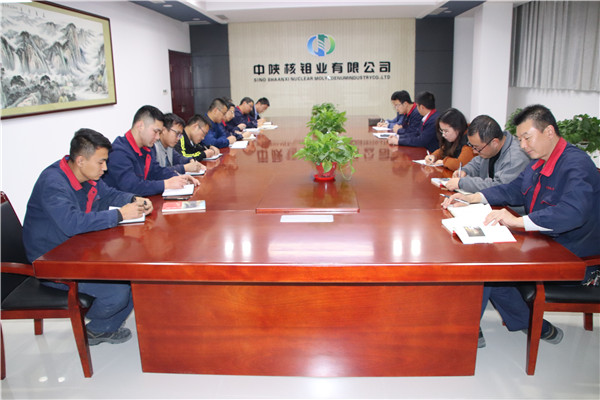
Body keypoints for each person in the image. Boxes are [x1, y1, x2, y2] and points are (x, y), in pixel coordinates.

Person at [442, 104, 600, 348]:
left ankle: (466, 332)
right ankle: (532, 326)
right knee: (486, 261)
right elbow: (514, 189)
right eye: (520, 139)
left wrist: (518, 221)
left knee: (489, 266)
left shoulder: (576, 164)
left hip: (572, 255)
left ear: (549, 132)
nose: (523, 146)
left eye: (527, 138)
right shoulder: (540, 161)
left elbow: (572, 213)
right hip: (545, 241)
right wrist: (472, 198)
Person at [22, 128, 154, 345]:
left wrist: (134, 199)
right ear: (81, 160)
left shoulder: (86, 175)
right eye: (101, 162)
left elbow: (109, 194)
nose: (105, 168)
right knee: (119, 292)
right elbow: (72, 223)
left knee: (135, 275)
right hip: (51, 261)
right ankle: (98, 329)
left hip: (78, 250)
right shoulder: (53, 183)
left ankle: (104, 325)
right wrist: (120, 214)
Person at [103, 105, 199, 196]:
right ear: (140, 126)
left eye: (159, 132)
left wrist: (178, 177)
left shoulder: (147, 148)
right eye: (155, 131)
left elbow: (156, 171)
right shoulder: (118, 151)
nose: (158, 137)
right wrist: (165, 184)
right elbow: (132, 186)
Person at [444, 115, 530, 193]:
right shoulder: (488, 149)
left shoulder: (516, 158)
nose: (474, 151)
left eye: (477, 147)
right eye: (472, 146)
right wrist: (465, 171)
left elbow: (499, 187)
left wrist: (463, 183)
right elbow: (476, 163)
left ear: (494, 142)